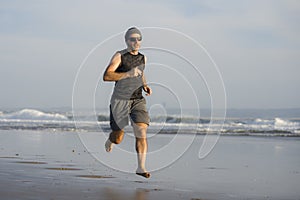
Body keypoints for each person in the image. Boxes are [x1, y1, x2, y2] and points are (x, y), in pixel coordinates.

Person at [103, 27, 152, 178]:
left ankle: (141, 167)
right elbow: (106, 76)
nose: (136, 41)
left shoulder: (143, 58)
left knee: (141, 131)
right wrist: (127, 74)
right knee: (118, 138)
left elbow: (141, 73)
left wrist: (144, 84)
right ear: (126, 41)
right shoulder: (119, 56)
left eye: (139, 38)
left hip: (137, 99)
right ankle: (111, 139)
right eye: (132, 39)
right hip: (120, 100)